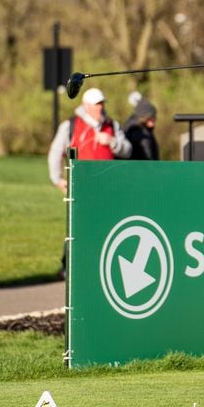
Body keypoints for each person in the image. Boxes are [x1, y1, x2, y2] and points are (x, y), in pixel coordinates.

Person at [48, 87, 131, 277]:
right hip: (81, 186)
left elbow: (127, 150)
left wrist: (111, 142)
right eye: (97, 104)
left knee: (106, 227)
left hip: (109, 187)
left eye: (102, 103)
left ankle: (99, 267)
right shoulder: (70, 125)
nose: (100, 108)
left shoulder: (112, 125)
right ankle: (67, 267)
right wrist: (57, 179)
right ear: (86, 106)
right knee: (77, 227)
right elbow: (55, 152)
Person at [123, 91, 160, 160]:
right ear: (143, 118)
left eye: (154, 118)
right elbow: (148, 158)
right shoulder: (140, 133)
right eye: (150, 118)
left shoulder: (132, 127)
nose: (153, 122)